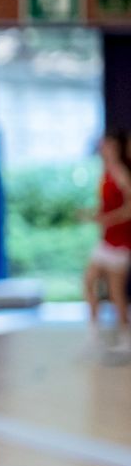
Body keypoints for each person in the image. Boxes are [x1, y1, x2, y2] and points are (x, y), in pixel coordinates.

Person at [85, 128, 131, 352]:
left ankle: (125, 337)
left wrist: (107, 219)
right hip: (106, 240)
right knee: (89, 281)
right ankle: (94, 334)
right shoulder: (105, 172)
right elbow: (106, 206)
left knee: (115, 291)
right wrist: (93, 215)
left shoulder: (121, 173)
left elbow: (129, 208)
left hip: (120, 241)